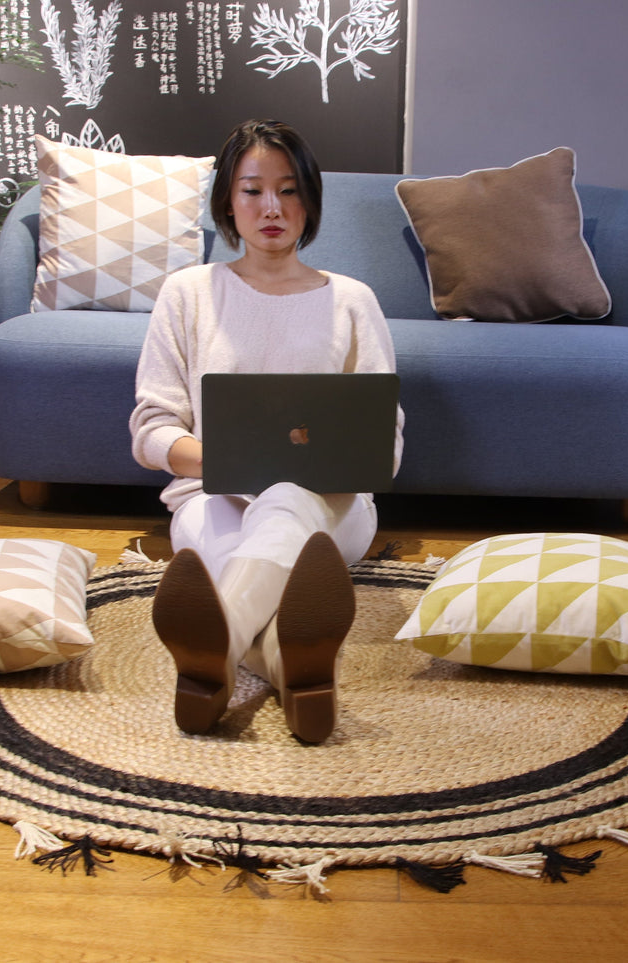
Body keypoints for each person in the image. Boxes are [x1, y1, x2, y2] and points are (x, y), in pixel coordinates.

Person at [128, 119, 404, 743]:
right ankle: (288, 665)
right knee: (231, 548)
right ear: (227, 201)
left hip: (332, 510)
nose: (272, 207)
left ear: (311, 200)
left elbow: (383, 439)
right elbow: (151, 432)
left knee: (283, 496)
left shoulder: (353, 299)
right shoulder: (188, 293)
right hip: (211, 496)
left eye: (289, 190)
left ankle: (217, 648)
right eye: (252, 190)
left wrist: (284, 470)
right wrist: (230, 461)